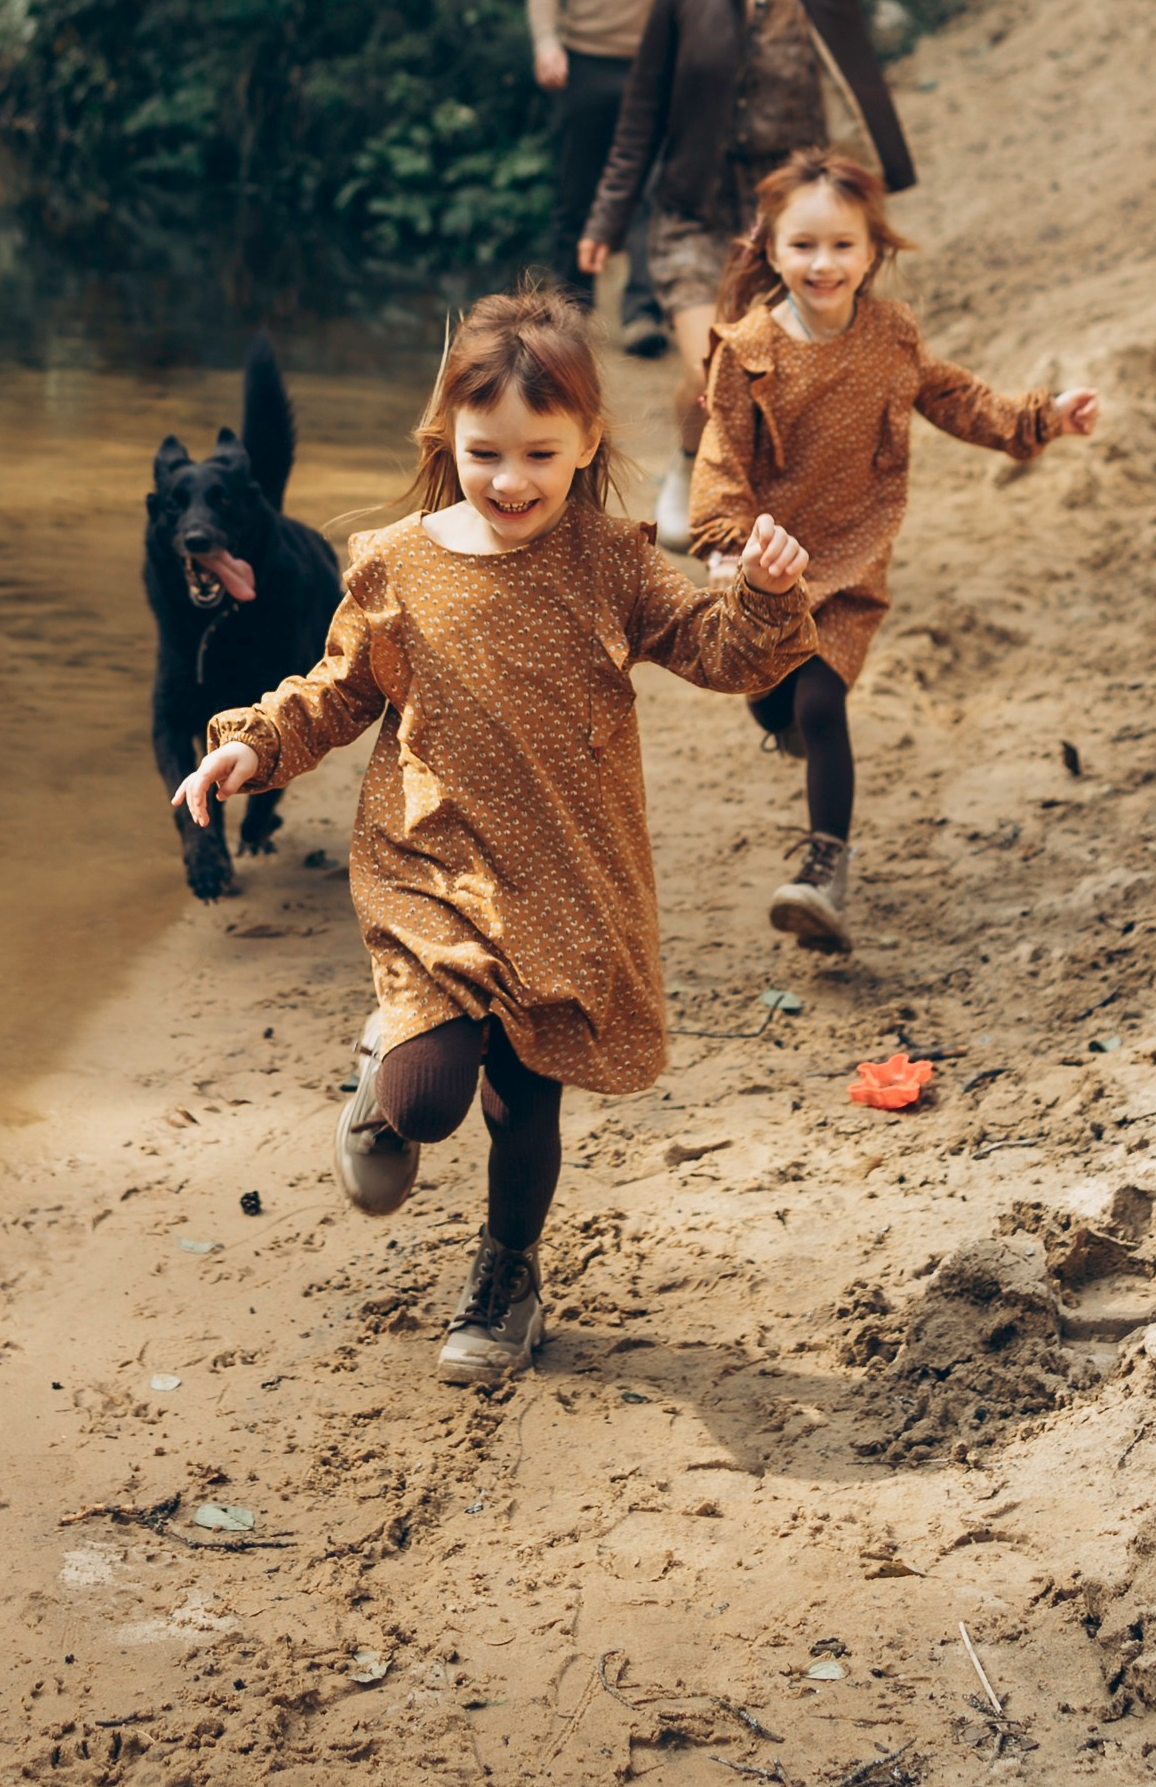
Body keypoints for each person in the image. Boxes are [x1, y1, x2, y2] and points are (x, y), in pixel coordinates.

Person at [174, 284, 814, 1390]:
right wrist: (253, 747)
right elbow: (333, 692)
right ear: (447, 441)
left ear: (585, 445)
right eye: (485, 453)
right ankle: (389, 1073)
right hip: (430, 866)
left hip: (568, 875)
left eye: (538, 453)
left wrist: (759, 596)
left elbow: (718, 653)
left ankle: (506, 1273)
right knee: (431, 1102)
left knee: (526, 1098)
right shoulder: (395, 562)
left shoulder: (610, 562)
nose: (510, 480)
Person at [691, 146, 1099, 955]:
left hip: (850, 561)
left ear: (873, 250)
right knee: (774, 700)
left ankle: (822, 872)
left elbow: (958, 400)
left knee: (818, 699)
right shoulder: (746, 351)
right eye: (803, 245)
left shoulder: (890, 336)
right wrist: (731, 544)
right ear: (770, 250)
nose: (823, 262)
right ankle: (781, 722)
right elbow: (720, 459)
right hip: (766, 564)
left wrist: (1045, 417)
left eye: (843, 245)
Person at [578, 0, 911, 550]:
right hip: (693, 212)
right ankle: (689, 460)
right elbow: (641, 113)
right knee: (714, 366)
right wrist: (606, 220)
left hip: (788, 221)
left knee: (778, 378)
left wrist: (873, 200)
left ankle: (760, 514)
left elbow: (862, 96)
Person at [525, 0, 705, 353]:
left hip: (657, 64)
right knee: (578, 190)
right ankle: (572, 314)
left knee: (653, 189)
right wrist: (546, 40)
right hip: (585, 60)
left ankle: (643, 314)